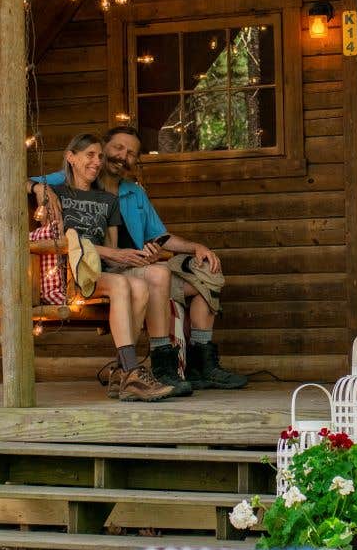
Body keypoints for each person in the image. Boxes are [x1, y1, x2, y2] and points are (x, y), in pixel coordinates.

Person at [42, 125, 248, 391]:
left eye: (130, 153)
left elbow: (159, 237)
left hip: (138, 264)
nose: (122, 156)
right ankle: (160, 366)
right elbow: (33, 183)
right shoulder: (70, 179)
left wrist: (194, 246)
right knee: (158, 275)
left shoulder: (132, 193)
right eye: (117, 148)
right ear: (103, 149)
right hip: (114, 270)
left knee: (207, 273)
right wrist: (40, 190)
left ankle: (200, 365)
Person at [32, 133, 176, 402]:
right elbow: (62, 241)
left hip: (98, 270)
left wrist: (132, 257)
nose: (97, 162)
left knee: (139, 283)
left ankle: (123, 374)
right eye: (90, 155)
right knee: (122, 283)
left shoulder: (109, 202)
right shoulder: (57, 194)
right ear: (71, 157)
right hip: (67, 272)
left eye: (99, 156)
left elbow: (111, 253)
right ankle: (132, 370)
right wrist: (38, 188)